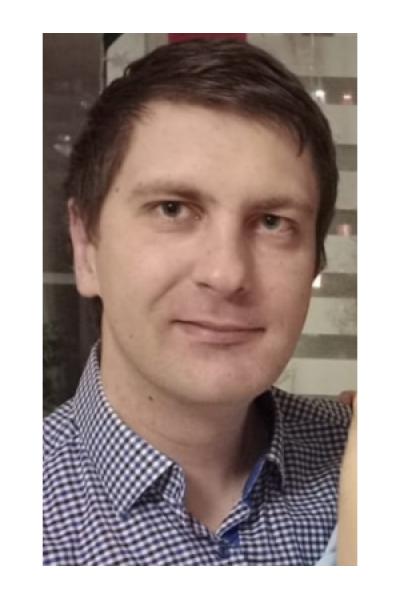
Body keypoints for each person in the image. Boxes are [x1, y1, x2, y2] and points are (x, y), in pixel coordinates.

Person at [43, 38, 354, 566]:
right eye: (172, 209)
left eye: (273, 222)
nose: (227, 274)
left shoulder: (365, 459)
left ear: (315, 266)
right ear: (86, 246)